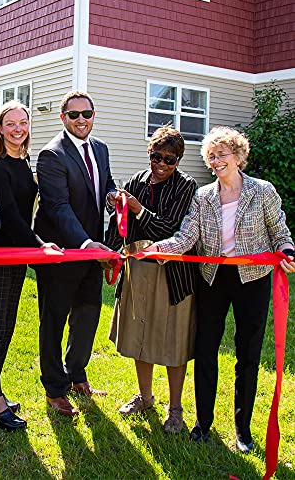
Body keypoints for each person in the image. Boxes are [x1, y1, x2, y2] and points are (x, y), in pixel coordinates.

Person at [148, 126, 294, 452]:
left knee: (247, 353)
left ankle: (243, 430)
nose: (215, 161)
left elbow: (280, 232)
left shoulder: (262, 191)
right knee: (206, 349)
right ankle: (203, 422)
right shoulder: (203, 196)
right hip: (212, 278)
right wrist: (158, 249)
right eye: (211, 156)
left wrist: (287, 251)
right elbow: (186, 237)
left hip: (252, 279)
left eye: (222, 155)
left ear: (238, 157)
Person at [105, 126, 197, 434]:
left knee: (172, 341)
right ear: (149, 154)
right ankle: (145, 397)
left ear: (178, 161)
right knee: (139, 338)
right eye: (156, 156)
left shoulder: (186, 186)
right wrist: (110, 249)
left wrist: (138, 209)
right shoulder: (135, 182)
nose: (161, 164)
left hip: (171, 274)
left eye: (169, 160)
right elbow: (121, 224)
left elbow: (170, 230)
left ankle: (175, 409)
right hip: (137, 270)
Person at [33, 90, 119, 416]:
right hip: (62, 252)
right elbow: (57, 207)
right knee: (53, 319)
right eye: (74, 115)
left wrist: (111, 195)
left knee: (87, 314)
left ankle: (76, 375)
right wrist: (85, 245)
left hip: (92, 251)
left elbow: (106, 181)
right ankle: (55, 388)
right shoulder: (51, 155)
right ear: (63, 118)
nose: (81, 120)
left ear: (94, 115)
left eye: (87, 114)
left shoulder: (100, 148)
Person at [0, 101, 59, 431]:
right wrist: (39, 246)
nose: (17, 128)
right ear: (0, 128)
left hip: (17, 256)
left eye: (22, 122)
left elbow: (28, 213)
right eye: (10, 123)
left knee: (6, 325)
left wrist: (37, 243)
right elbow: (8, 215)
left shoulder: (24, 163)